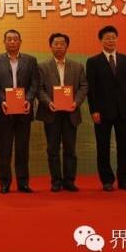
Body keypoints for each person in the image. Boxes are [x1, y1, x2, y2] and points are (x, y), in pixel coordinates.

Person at [86, 26, 126, 192]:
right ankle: (107, 180)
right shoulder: (93, 62)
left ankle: (125, 180)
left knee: (125, 147)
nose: (111, 40)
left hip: (123, 111)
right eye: (107, 38)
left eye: (113, 37)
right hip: (102, 112)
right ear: (101, 40)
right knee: (103, 147)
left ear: (117, 39)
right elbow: (91, 89)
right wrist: (94, 110)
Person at [36, 33, 88, 192]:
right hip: (51, 113)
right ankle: (56, 181)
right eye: (56, 43)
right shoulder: (42, 67)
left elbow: (84, 87)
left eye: (62, 43)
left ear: (67, 46)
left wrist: (76, 102)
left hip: (71, 113)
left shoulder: (78, 66)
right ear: (50, 46)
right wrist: (48, 102)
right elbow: (39, 88)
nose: (59, 46)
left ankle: (69, 181)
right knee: (52, 149)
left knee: (70, 149)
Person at [0, 29, 39, 193]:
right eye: (9, 39)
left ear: (20, 42)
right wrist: (2, 100)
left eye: (15, 39)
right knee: (4, 149)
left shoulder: (31, 60)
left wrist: (28, 99)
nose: (12, 42)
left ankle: (23, 182)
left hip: (24, 110)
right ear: (4, 42)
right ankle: (4, 183)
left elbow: (35, 83)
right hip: (4, 110)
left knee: (22, 149)